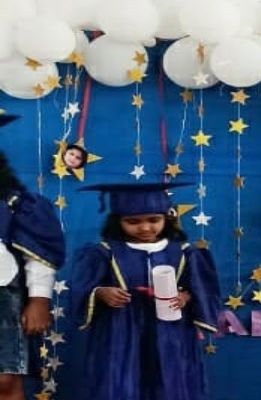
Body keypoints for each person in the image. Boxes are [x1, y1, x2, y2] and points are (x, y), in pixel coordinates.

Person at [70, 182, 221, 400]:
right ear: (118, 221)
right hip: (120, 328)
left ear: (166, 217)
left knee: (169, 381)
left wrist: (185, 296)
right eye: (133, 221)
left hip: (171, 330)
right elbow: (82, 288)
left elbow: (201, 289)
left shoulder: (184, 252)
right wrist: (101, 292)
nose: (145, 228)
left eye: (154, 220)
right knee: (120, 381)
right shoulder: (104, 252)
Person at [0, 112, 66, 400]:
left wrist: (39, 299)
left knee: (5, 379)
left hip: (3, 294)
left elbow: (38, 252)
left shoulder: (14, 203)